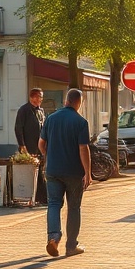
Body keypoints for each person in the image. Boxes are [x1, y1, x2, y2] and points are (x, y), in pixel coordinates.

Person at [38, 88, 91, 258]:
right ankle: (71, 246)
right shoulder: (81, 122)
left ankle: (53, 238)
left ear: (66, 100)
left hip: (53, 170)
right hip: (73, 172)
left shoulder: (51, 118)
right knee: (74, 207)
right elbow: (83, 149)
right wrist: (88, 172)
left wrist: (49, 156)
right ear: (78, 102)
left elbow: (41, 143)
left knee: (54, 204)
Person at [14, 87, 47, 204]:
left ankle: (41, 197)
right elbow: (18, 128)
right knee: (30, 173)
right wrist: (22, 145)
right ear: (32, 97)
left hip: (40, 147)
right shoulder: (24, 110)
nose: (40, 99)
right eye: (39, 96)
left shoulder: (40, 111)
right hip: (29, 146)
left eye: (41, 97)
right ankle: (32, 197)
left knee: (40, 172)